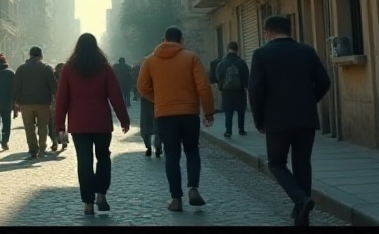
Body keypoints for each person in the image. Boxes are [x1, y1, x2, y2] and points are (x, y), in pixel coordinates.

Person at [249, 15, 331, 227]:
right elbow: (324, 81)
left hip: (277, 120)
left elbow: (256, 91)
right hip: (305, 118)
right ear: (289, 30)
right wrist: (309, 101)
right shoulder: (306, 51)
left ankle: (301, 200)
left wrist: (259, 120)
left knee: (276, 163)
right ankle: (303, 218)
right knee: (302, 163)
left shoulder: (261, 54)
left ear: (268, 32)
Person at [137, 26, 216, 212]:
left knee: (171, 155)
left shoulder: (150, 61)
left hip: (165, 115)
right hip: (189, 113)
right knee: (192, 151)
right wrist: (209, 112)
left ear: (164, 39)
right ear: (181, 39)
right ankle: (193, 188)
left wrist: (160, 99)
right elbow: (203, 86)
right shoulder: (191, 58)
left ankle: (176, 199)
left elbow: (142, 87)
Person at [53, 33, 131, 216]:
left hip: (79, 123)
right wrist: (124, 119)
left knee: (84, 162)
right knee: (103, 157)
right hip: (101, 121)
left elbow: (62, 99)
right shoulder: (104, 68)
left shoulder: (69, 69)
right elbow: (115, 95)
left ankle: (88, 203)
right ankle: (101, 195)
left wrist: (59, 124)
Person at [13, 46, 58, 159]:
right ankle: (42, 150)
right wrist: (56, 99)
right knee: (43, 126)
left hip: (26, 103)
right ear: (41, 55)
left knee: (29, 127)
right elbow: (54, 86)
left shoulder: (21, 68)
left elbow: (16, 87)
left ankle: (33, 151)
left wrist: (14, 102)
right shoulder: (46, 68)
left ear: (30, 55)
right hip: (43, 103)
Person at [215, 42, 250, 138]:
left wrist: (222, 84)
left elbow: (218, 75)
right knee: (241, 110)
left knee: (228, 111)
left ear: (227, 49)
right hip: (239, 90)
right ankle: (241, 129)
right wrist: (245, 86)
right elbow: (246, 76)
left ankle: (228, 130)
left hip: (227, 91)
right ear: (237, 50)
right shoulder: (241, 62)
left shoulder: (222, 63)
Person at [48, 63, 69, 152]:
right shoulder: (68, 77)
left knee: (52, 124)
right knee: (62, 123)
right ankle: (64, 140)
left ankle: (55, 142)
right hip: (63, 103)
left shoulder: (52, 76)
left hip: (53, 103)